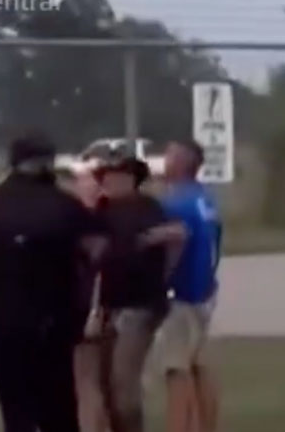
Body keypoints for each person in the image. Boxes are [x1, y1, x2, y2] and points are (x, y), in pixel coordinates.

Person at [0, 133, 107, 432]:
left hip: (4, 323)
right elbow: (98, 247)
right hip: (56, 322)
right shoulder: (67, 206)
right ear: (48, 163)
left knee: (15, 409)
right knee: (59, 407)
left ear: (13, 162)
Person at [94, 147, 184, 432]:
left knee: (123, 382)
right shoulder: (102, 210)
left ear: (131, 178)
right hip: (110, 304)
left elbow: (177, 235)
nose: (108, 179)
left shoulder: (146, 207)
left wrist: (163, 274)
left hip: (140, 304)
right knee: (104, 384)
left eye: (116, 174)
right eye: (106, 174)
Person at [159, 140, 223, 432]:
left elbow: (173, 244)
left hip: (183, 294)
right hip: (205, 289)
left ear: (184, 162)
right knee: (198, 365)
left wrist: (161, 281)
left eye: (170, 155)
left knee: (176, 368)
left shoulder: (175, 203)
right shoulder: (205, 199)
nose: (165, 161)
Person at [56, 166, 109, 432]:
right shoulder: (96, 220)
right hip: (94, 311)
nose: (78, 187)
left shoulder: (90, 225)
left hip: (89, 311)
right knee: (98, 383)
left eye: (84, 182)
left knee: (87, 383)